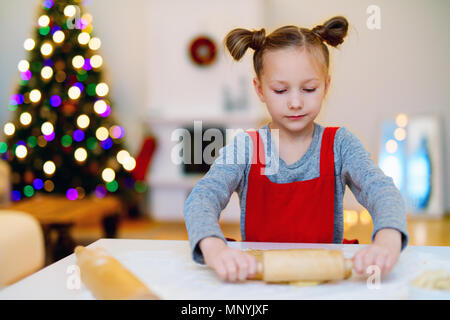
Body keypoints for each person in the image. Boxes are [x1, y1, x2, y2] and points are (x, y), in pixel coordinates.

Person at [184, 16, 408, 282]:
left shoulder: (340, 145)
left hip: (326, 279)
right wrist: (214, 246)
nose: (295, 102)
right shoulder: (246, 146)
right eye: (280, 90)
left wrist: (387, 237)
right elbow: (203, 197)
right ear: (260, 90)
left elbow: (381, 189)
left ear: (326, 85)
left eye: (308, 89)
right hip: (259, 279)